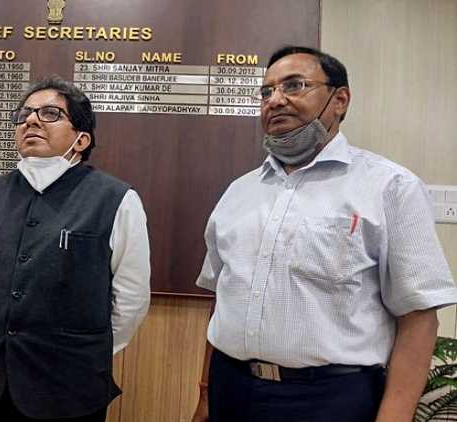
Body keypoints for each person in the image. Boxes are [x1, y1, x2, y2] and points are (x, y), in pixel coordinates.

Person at [191, 45, 457, 422]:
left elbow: (418, 317)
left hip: (330, 399)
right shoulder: (239, 192)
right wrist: (206, 395)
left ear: (340, 100)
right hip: (230, 388)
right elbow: (222, 298)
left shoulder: (390, 187)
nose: (275, 100)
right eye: (266, 92)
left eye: (294, 85)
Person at [0, 76, 151, 421]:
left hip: (68, 387)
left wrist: (84, 351)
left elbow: (131, 299)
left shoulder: (116, 199)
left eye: (49, 113)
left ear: (81, 139)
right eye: (26, 113)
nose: (31, 120)